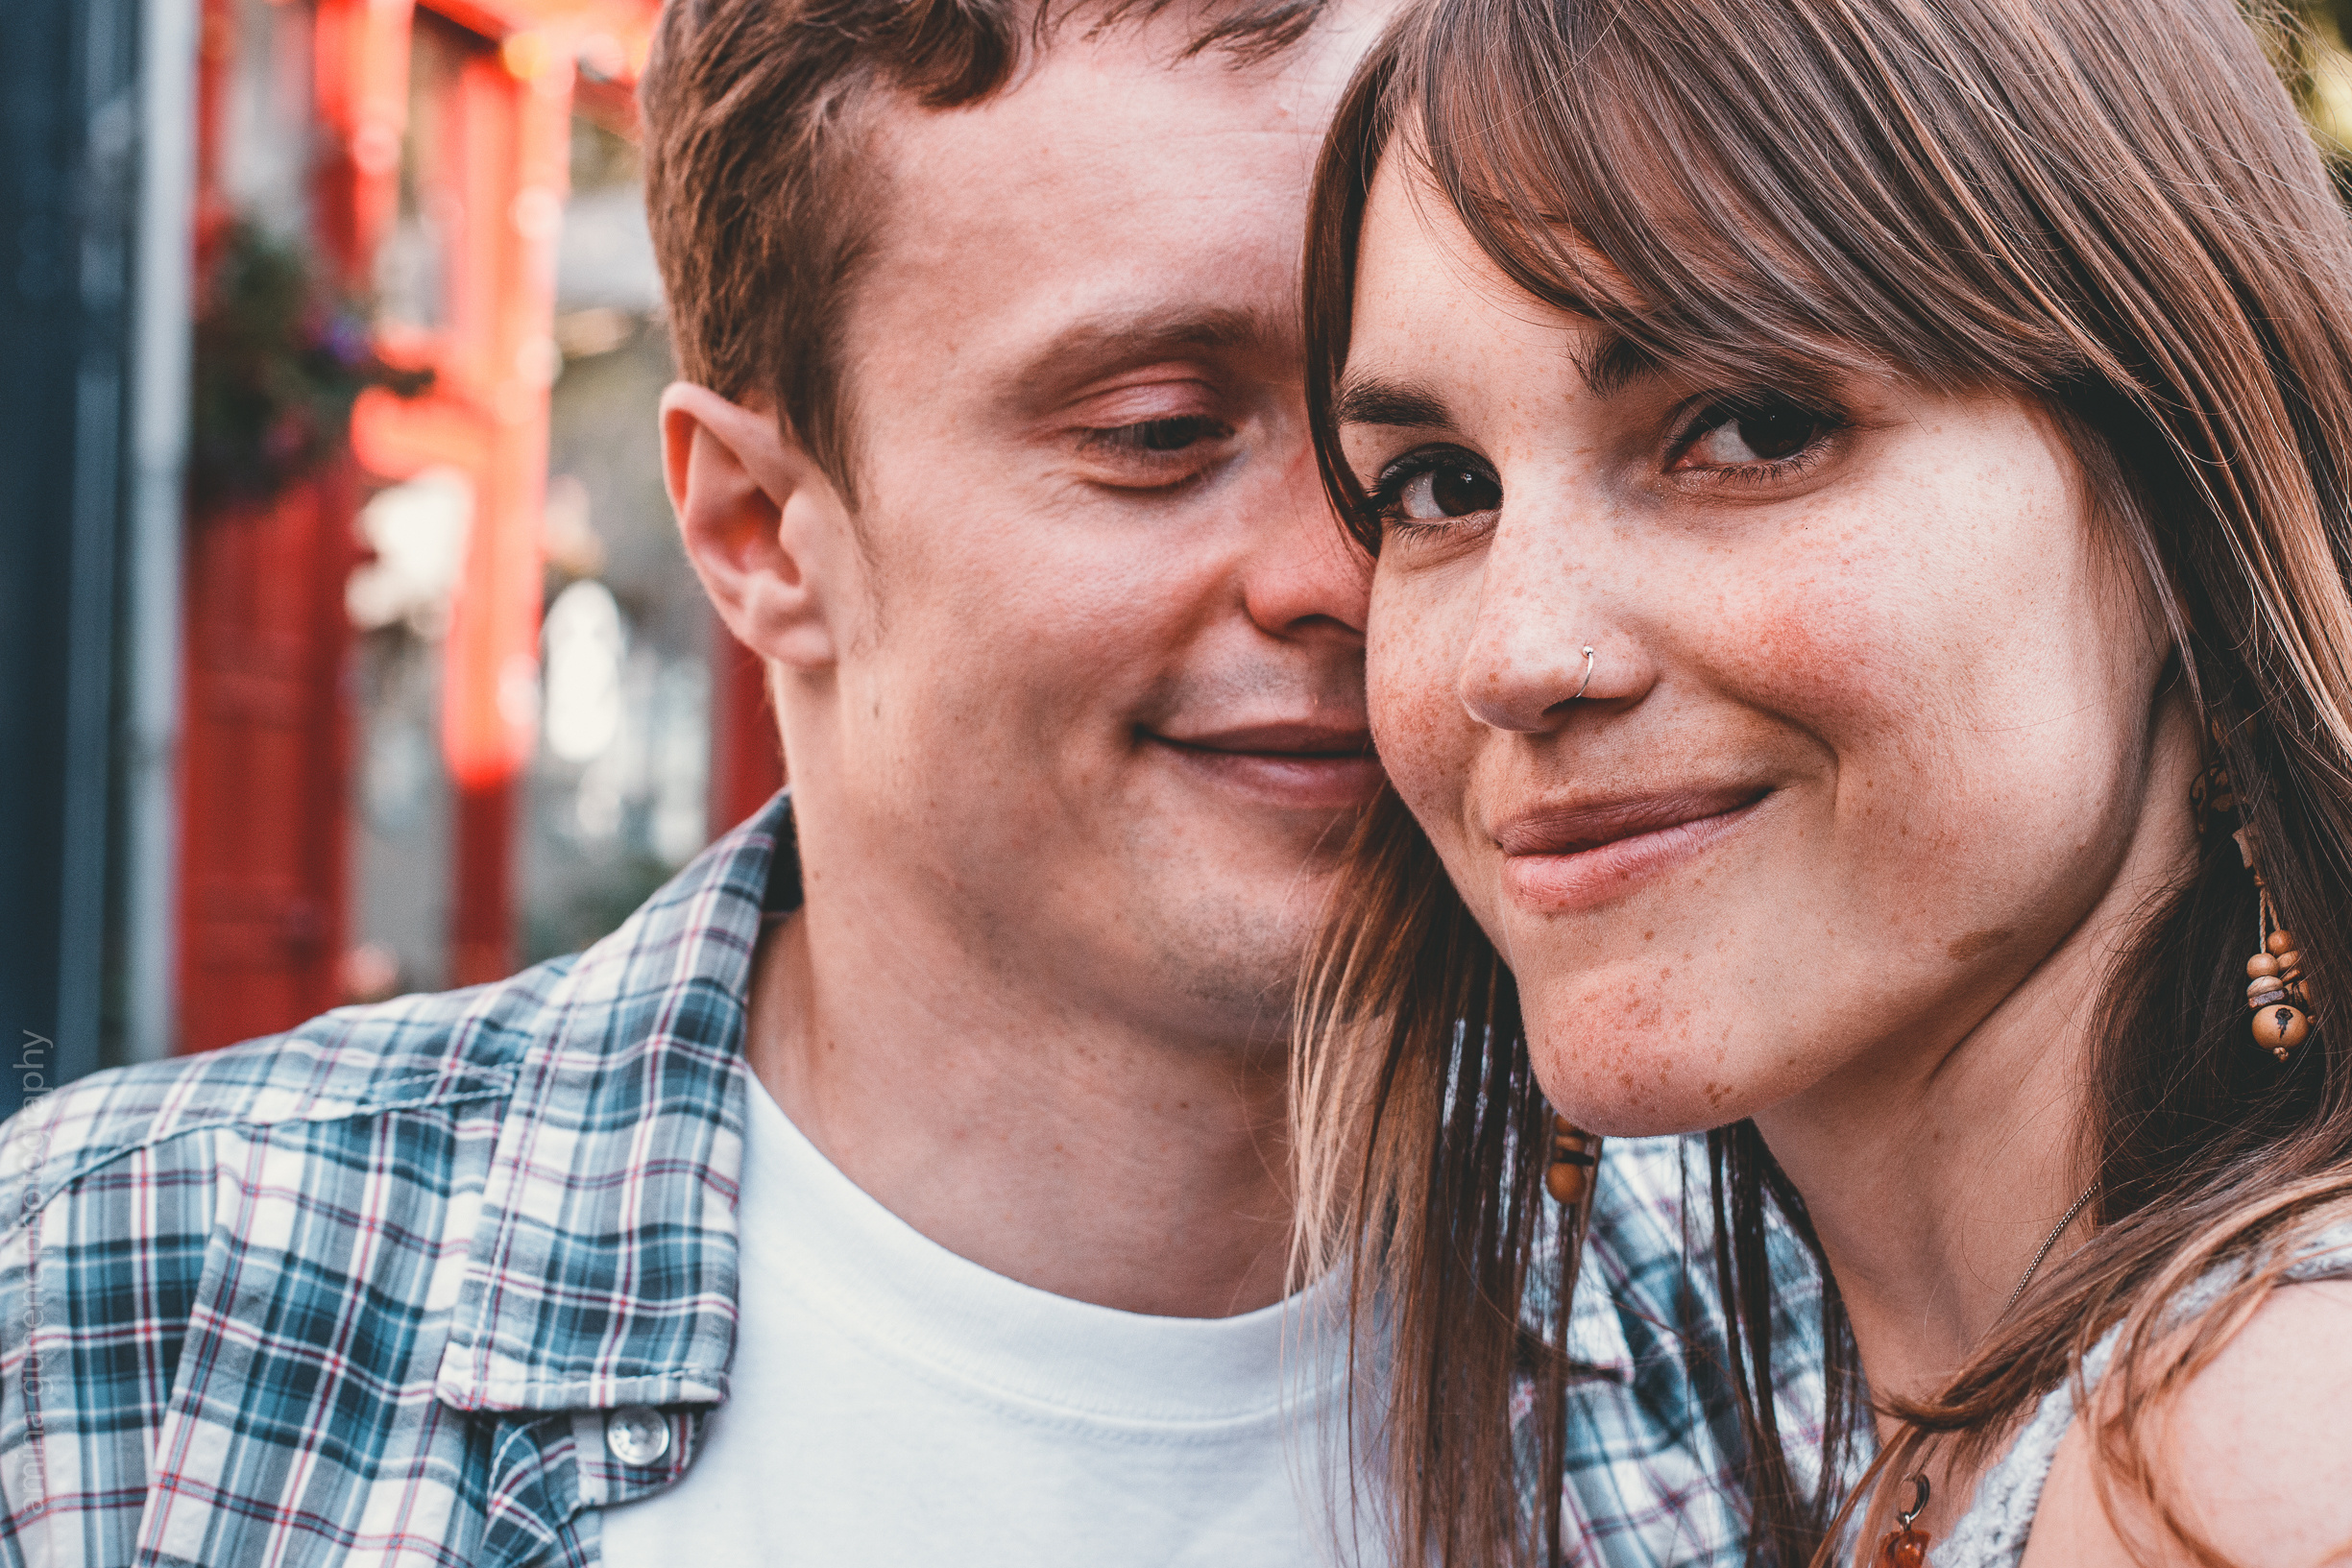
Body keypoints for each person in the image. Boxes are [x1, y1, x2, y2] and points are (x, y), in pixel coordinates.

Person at [0, 0, 1828, 1564]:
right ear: (757, 534)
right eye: (1159, 434)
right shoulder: (127, 1307)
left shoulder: (1800, 1347)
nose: (1347, 573)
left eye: (1421, 455)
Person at [1295, 0, 2352, 1561]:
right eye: (1438, 487)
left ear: (2178, 496)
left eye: (1748, 426)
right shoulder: (1988, 1436)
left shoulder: (2251, 1457)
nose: (1512, 655)